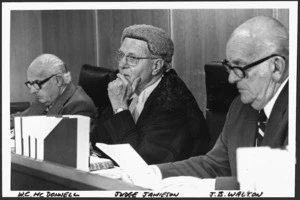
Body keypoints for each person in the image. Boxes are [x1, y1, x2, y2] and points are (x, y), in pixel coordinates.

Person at [143, 15, 288, 190]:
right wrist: (151, 173)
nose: (231, 78)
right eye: (229, 67)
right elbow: (213, 165)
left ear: (276, 67)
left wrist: (208, 187)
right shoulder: (240, 108)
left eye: (239, 68)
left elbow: (287, 181)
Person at [91, 24, 210, 165]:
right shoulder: (126, 90)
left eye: (132, 58)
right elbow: (97, 143)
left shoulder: (173, 103)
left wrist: (120, 108)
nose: (122, 64)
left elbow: (141, 162)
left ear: (156, 66)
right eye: (121, 55)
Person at [11, 53, 97, 128]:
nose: (32, 91)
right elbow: (21, 118)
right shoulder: (46, 98)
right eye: (30, 84)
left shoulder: (79, 105)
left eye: (37, 83)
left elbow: (63, 143)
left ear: (58, 80)